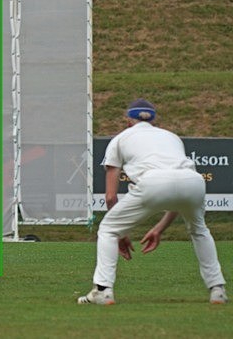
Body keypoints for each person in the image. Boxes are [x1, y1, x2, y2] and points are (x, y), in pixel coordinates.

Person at [78, 98, 227, 305]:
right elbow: (177, 187)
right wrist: (159, 228)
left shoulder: (120, 139)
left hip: (152, 182)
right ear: (154, 120)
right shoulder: (172, 137)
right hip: (193, 182)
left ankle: (103, 290)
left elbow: (111, 196)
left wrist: (122, 232)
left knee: (108, 229)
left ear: (128, 120)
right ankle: (217, 289)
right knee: (199, 230)